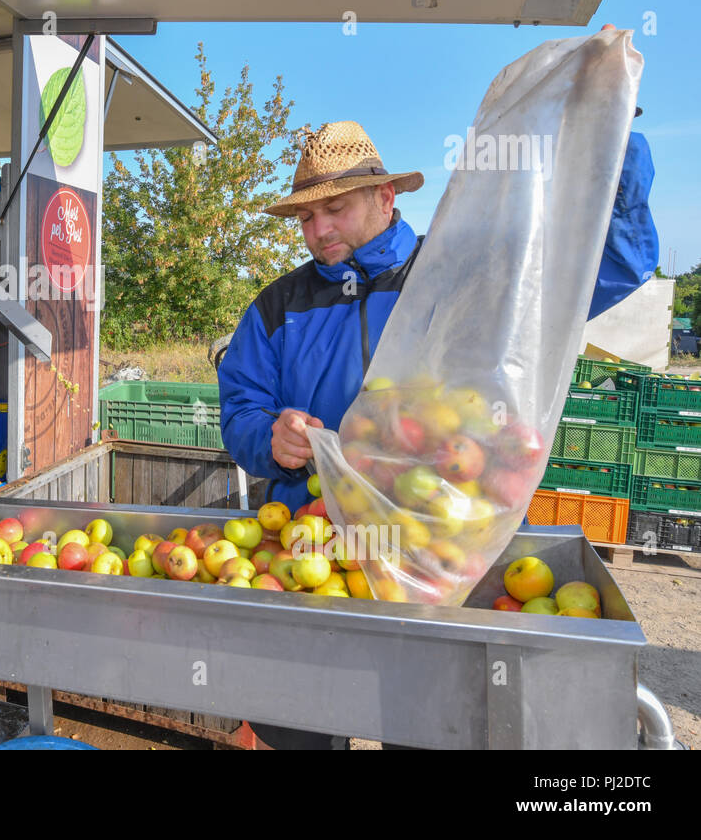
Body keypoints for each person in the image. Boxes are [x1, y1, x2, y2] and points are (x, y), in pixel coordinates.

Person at [217, 118, 658, 751]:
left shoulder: (461, 279)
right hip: (312, 554)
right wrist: (268, 437)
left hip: (443, 557)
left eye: (334, 210)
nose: (319, 232)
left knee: (431, 729)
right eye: (305, 219)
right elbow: (241, 406)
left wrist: (612, 126)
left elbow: (613, 260)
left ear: (385, 197)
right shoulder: (278, 306)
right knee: (301, 729)